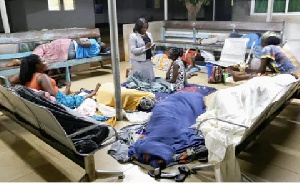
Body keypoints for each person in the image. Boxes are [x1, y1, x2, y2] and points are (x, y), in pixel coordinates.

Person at [19, 54, 101, 109]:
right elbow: (53, 95)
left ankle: (68, 90)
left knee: (73, 95)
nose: (46, 63)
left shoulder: (28, 76)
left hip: (45, 101)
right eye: (43, 61)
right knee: (76, 98)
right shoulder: (42, 77)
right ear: (37, 66)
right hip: (60, 102)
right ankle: (91, 93)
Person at [230, 35, 299, 82]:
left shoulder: (267, 48)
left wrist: (246, 74)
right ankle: (240, 76)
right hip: (296, 73)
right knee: (267, 73)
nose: (260, 43)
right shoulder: (280, 48)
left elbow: (261, 71)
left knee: (262, 76)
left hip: (292, 76)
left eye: (261, 41)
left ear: (265, 42)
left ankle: (239, 78)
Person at [129, 17, 155, 82]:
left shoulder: (149, 34)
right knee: (139, 80)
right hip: (138, 62)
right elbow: (133, 50)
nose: (145, 29)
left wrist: (152, 47)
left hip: (148, 60)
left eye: (146, 27)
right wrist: (145, 48)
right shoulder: (133, 36)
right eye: (143, 27)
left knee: (150, 79)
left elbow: (151, 44)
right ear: (138, 27)